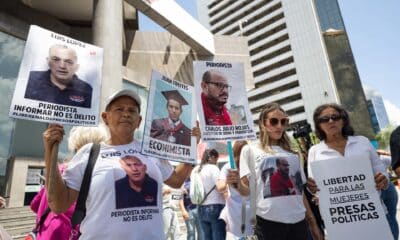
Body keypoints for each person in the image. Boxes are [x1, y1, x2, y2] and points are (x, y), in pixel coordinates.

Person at [42, 89, 200, 239]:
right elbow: (59, 204)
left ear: (139, 121)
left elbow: (177, 180)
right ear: (105, 117)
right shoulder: (89, 153)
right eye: (119, 109)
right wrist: (50, 152)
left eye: (132, 111)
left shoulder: (151, 151)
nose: (126, 114)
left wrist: (192, 148)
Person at [229, 102, 322, 240]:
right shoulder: (250, 150)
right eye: (274, 121)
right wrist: (236, 184)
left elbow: (299, 192)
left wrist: (312, 221)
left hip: (299, 221)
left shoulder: (294, 154)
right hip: (268, 221)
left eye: (283, 121)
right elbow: (247, 192)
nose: (279, 126)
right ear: (262, 124)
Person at [306, 103, 388, 236]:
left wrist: (383, 179)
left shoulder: (363, 142)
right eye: (324, 119)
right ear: (319, 125)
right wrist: (312, 187)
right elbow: (314, 186)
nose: (331, 121)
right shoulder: (315, 151)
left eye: (335, 117)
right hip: (339, 218)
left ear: (343, 120)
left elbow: (381, 171)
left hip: (372, 212)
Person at [30, 126, 107, 240]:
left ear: (75, 146)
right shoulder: (96, 180)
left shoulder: (57, 172)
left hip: (44, 234)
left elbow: (35, 205)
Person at [25, 44, 92, 108]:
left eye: (69, 62)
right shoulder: (30, 79)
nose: (62, 66)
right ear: (48, 62)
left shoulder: (87, 89)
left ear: (77, 67)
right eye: (56, 60)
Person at [217, 140, 252, 239]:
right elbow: (220, 187)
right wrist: (229, 180)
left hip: (253, 212)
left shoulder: (254, 165)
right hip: (236, 213)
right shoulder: (228, 167)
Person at [192, 149, 226, 240]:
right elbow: (220, 187)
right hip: (215, 206)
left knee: (207, 237)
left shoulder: (196, 169)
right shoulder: (213, 168)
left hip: (200, 206)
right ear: (212, 157)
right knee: (218, 236)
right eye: (216, 158)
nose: (216, 161)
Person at [377, 150, 399, 240]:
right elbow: (396, 160)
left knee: (384, 219)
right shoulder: (382, 158)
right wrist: (385, 153)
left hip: (377, 189)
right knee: (392, 218)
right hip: (390, 187)